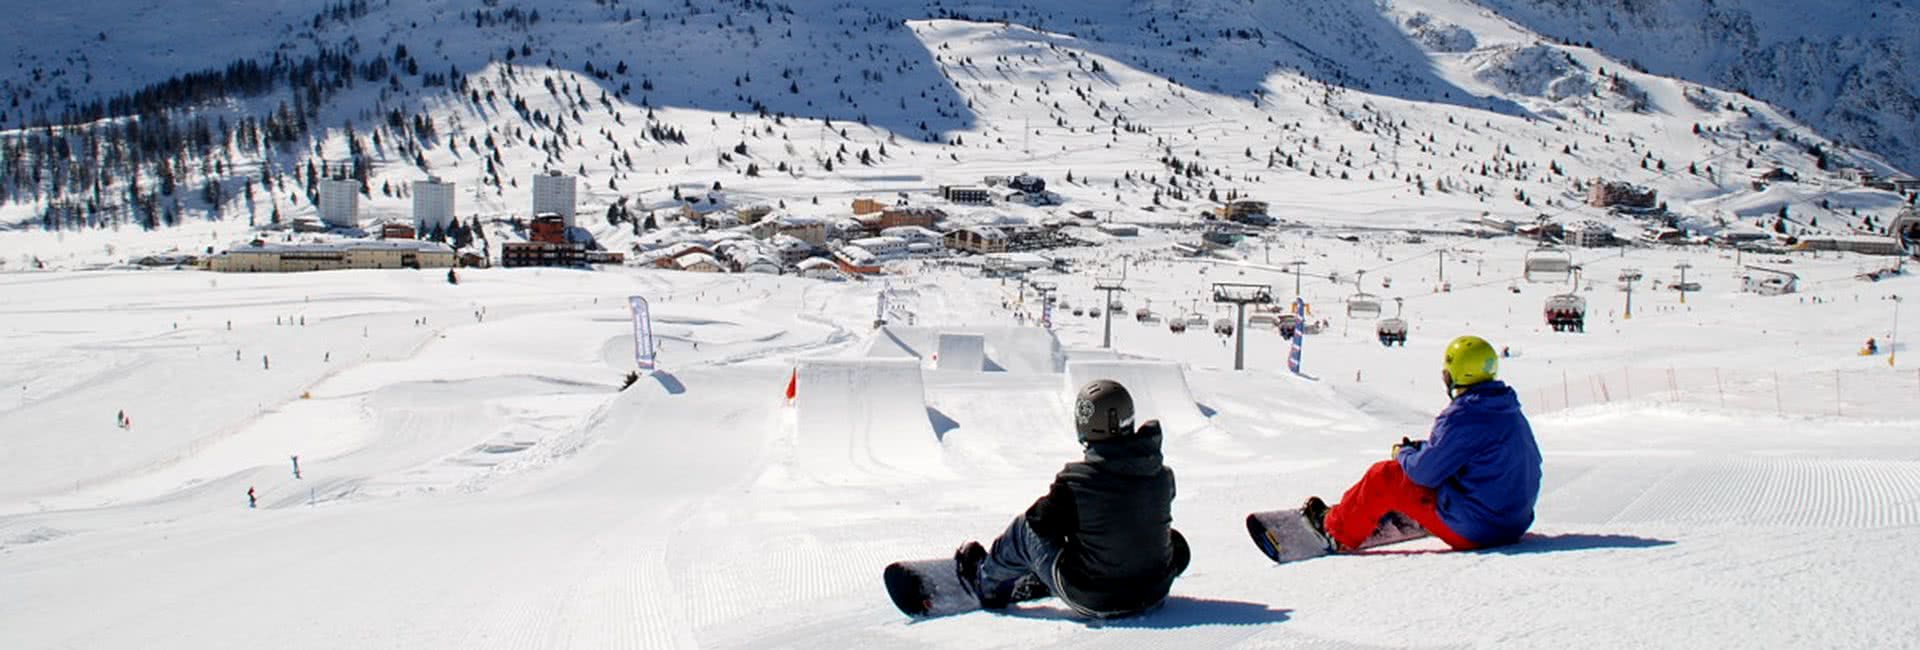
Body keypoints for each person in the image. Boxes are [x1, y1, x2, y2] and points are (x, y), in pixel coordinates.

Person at [954, 380, 1189, 618]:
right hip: (1155, 591)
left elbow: (1039, 521)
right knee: (1154, 532)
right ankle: (1070, 573)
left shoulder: (1077, 482)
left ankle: (987, 581)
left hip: (1095, 597)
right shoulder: (1162, 475)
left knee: (1024, 529)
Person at [1306, 335, 1542, 552]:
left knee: (1385, 476)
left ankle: (1334, 531)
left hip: (1481, 530)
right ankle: (1391, 514)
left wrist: (1404, 454)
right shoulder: (1506, 409)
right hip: (1511, 523)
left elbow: (1423, 473)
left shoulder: (1464, 414)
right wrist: (1422, 451)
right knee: (1431, 467)